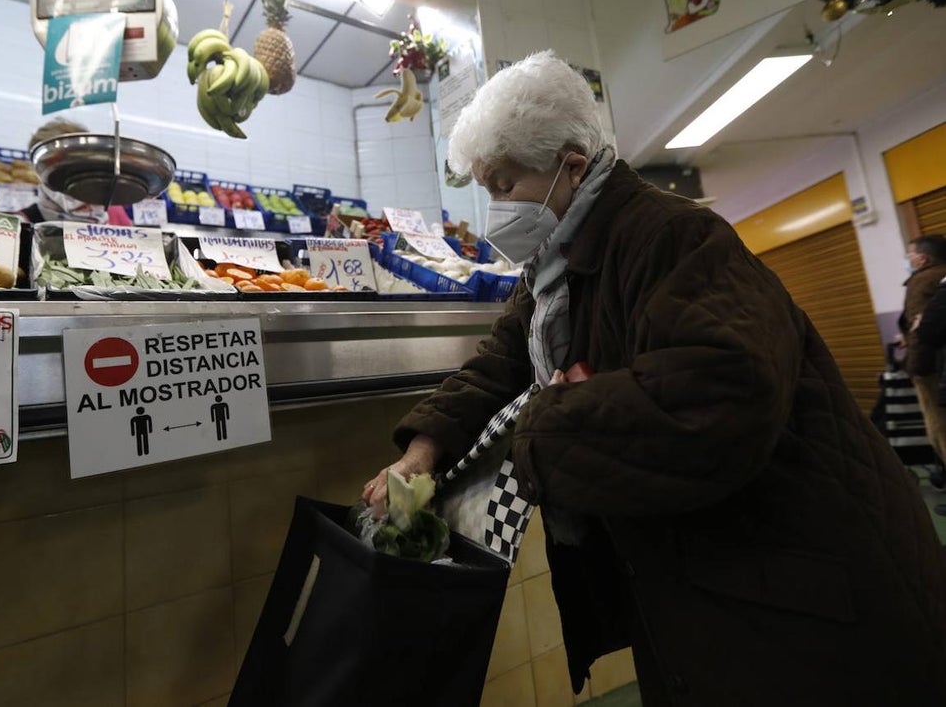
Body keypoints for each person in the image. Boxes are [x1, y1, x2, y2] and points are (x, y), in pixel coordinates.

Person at [362, 51, 946, 706]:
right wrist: (423, 451)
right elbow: (498, 362)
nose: (495, 209)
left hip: (805, 588)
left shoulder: (676, 238)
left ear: (571, 168)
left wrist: (536, 430)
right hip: (708, 583)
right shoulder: (551, 272)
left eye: (502, 185)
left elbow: (723, 393)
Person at [22, 117, 133, 226]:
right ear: (38, 171)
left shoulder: (114, 213)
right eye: (56, 168)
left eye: (80, 165)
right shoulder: (20, 225)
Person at [903, 234, 946, 461]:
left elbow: (923, 329)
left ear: (923, 258)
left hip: (932, 368)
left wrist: (916, 367)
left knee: (939, 425)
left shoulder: (922, 281)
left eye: (910, 254)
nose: (908, 259)